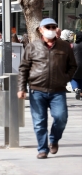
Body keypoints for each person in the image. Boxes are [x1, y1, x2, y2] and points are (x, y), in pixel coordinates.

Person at [18, 18, 77, 159]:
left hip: (58, 90)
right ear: (40, 29)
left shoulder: (64, 46)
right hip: (37, 90)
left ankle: (54, 139)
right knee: (39, 122)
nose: (51, 29)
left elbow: (73, 66)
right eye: (47, 27)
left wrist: (65, 78)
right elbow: (23, 68)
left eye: (53, 27)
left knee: (61, 118)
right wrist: (21, 88)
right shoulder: (32, 46)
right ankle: (42, 149)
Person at [71, 32, 82, 100]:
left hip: (75, 64)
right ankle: (80, 92)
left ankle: (76, 89)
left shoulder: (73, 45)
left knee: (73, 77)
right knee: (81, 78)